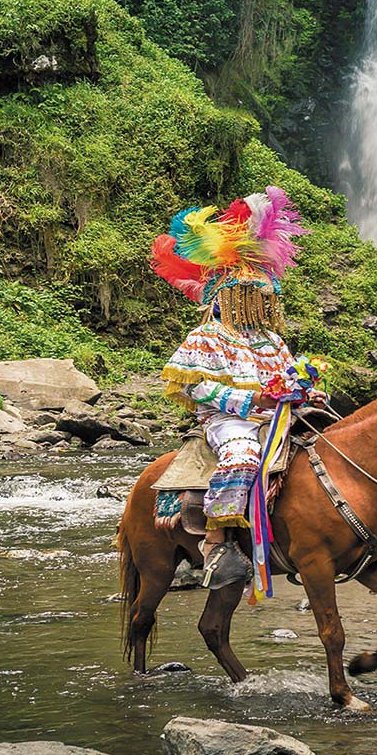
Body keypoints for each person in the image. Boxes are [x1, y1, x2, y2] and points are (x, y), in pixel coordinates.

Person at [150, 187, 323, 591]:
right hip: (230, 421)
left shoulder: (273, 341)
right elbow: (194, 386)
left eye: (262, 298)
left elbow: (285, 380)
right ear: (228, 299)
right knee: (243, 457)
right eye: (249, 297)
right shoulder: (206, 336)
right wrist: (251, 399)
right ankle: (216, 541)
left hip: (278, 417)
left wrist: (304, 394)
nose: (259, 305)